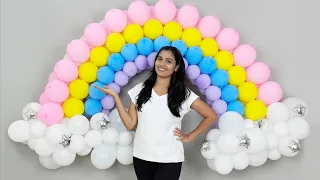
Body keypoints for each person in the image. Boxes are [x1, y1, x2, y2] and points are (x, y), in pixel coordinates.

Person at [95, 46, 217, 180]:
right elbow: (130, 124)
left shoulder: (183, 94)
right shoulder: (140, 89)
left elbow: (211, 116)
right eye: (160, 59)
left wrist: (189, 136)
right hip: (142, 156)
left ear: (176, 67)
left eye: (169, 61)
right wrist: (116, 97)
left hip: (170, 159)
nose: (162, 64)